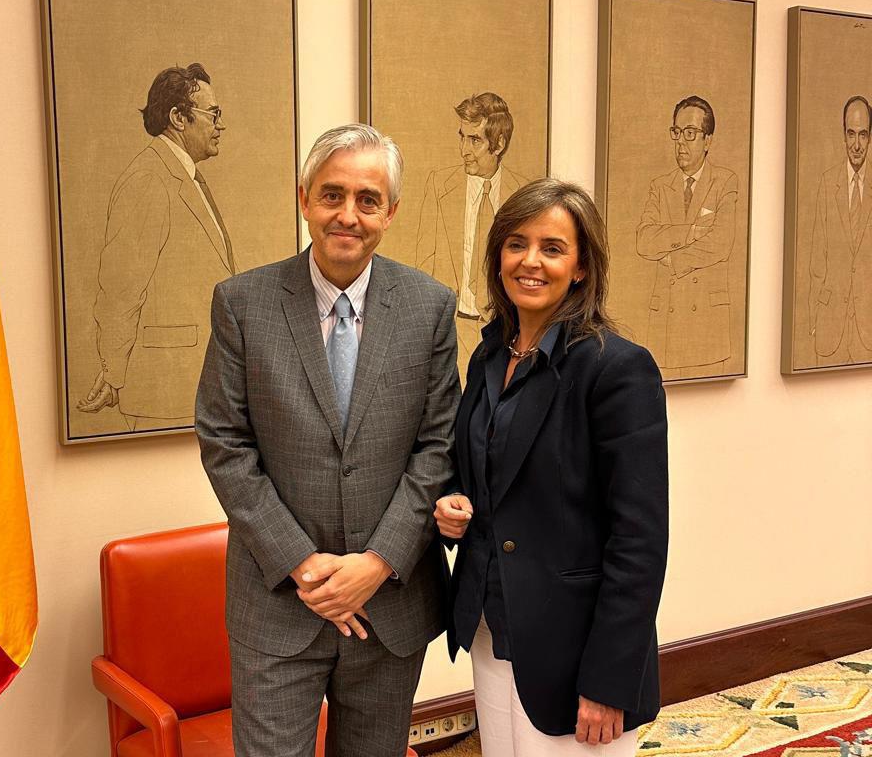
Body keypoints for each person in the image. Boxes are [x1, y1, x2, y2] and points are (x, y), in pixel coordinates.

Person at [196, 123, 459, 757]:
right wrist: (305, 565)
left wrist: (377, 563)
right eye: (332, 194)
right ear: (304, 199)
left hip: (389, 604)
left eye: (368, 200)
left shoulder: (429, 306)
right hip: (279, 603)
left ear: (390, 212)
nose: (348, 215)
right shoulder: (242, 303)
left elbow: (438, 445)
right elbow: (224, 442)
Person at [435, 178, 669, 755]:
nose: (530, 261)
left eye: (552, 248)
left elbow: (639, 540)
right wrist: (454, 500)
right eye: (516, 244)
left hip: (577, 648)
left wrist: (609, 681)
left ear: (582, 267)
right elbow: (486, 471)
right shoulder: (489, 355)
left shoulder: (617, 369)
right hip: (491, 624)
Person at [79, 62, 235, 431]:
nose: (220, 125)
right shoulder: (149, 178)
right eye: (213, 114)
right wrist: (113, 372)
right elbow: (120, 289)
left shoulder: (182, 176)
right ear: (179, 118)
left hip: (195, 383)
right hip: (164, 391)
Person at [416, 92, 529, 355]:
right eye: (462, 137)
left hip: (508, 332)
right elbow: (424, 262)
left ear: (498, 144)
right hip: (452, 330)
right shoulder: (439, 185)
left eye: (475, 140)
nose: (464, 150)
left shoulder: (523, 194)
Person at [636, 95, 738, 370]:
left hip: (706, 319)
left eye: (690, 133)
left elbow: (720, 242)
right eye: (677, 132)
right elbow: (644, 240)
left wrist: (672, 259)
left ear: (708, 141)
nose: (680, 141)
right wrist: (692, 231)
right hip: (665, 319)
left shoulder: (725, 182)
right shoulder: (660, 186)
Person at [807, 95, 872, 365]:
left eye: (863, 135)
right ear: (843, 135)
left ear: (870, 137)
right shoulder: (827, 183)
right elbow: (817, 260)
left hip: (867, 328)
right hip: (830, 326)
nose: (856, 145)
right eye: (851, 134)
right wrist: (814, 319)